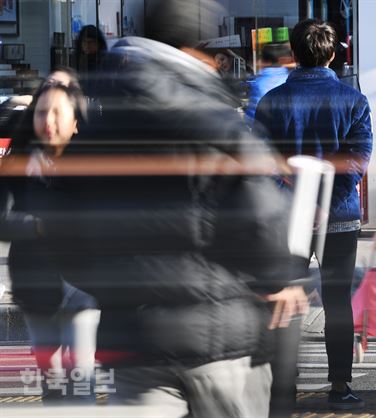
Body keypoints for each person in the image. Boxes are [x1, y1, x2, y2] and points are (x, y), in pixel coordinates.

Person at [8, 0, 308, 416]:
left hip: (132, 342)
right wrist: (278, 277)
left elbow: (65, 230)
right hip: (218, 340)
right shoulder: (216, 120)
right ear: (191, 50)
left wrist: (112, 285)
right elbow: (261, 214)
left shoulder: (95, 131)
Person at [255, 18, 373, 410]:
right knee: (337, 301)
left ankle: (283, 389)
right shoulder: (353, 100)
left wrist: (297, 196)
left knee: (286, 299)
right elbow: (357, 160)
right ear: (334, 54)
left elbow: (263, 163)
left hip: (287, 218)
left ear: (293, 54)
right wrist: (328, 200)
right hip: (338, 216)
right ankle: (340, 386)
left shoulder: (271, 102)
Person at [0, 77, 99, 403]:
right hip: (34, 284)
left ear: (76, 122)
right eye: (42, 113)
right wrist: (40, 226)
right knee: (51, 378)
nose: (49, 121)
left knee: (80, 376)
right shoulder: (15, 165)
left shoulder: (93, 165)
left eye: (58, 112)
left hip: (84, 287)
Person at [245, 42, 294, 122]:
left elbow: (253, 114)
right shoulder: (290, 78)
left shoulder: (259, 83)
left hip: (267, 129)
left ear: (265, 61)